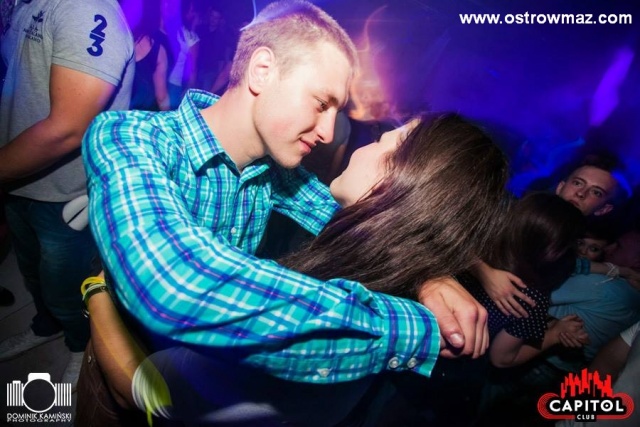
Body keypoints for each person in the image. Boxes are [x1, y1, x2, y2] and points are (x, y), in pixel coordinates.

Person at [78, 113, 511, 426]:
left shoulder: (316, 336)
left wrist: (97, 288)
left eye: (385, 141)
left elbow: (139, 387)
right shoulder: (374, 276)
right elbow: (315, 201)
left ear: (401, 185)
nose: (332, 133)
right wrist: (430, 272)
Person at [0, 0, 134, 386]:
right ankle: (45, 326)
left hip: (66, 194)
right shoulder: (31, 5)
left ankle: (81, 347)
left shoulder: (87, 10)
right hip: (20, 178)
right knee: (32, 272)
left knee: (67, 287)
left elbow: (66, 129)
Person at [123, 0, 171, 111]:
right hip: (142, 115)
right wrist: (168, 119)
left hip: (113, 115)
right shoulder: (158, 50)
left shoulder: (115, 40)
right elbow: (161, 97)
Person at [165, 0, 199, 108]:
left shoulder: (167, 28)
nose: (194, 14)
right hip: (174, 84)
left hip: (161, 80)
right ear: (185, 12)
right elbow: (193, 68)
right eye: (192, 11)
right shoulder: (191, 37)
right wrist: (190, 89)